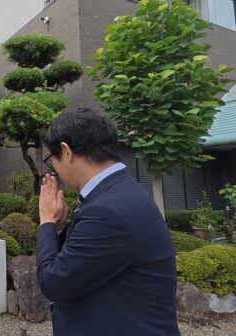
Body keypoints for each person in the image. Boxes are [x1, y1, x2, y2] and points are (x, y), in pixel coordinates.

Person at [37, 108, 180, 335]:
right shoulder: (116, 193)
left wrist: (46, 221)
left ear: (65, 151)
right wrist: (60, 226)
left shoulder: (107, 210)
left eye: (50, 159)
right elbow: (85, 261)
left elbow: (53, 282)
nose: (53, 166)